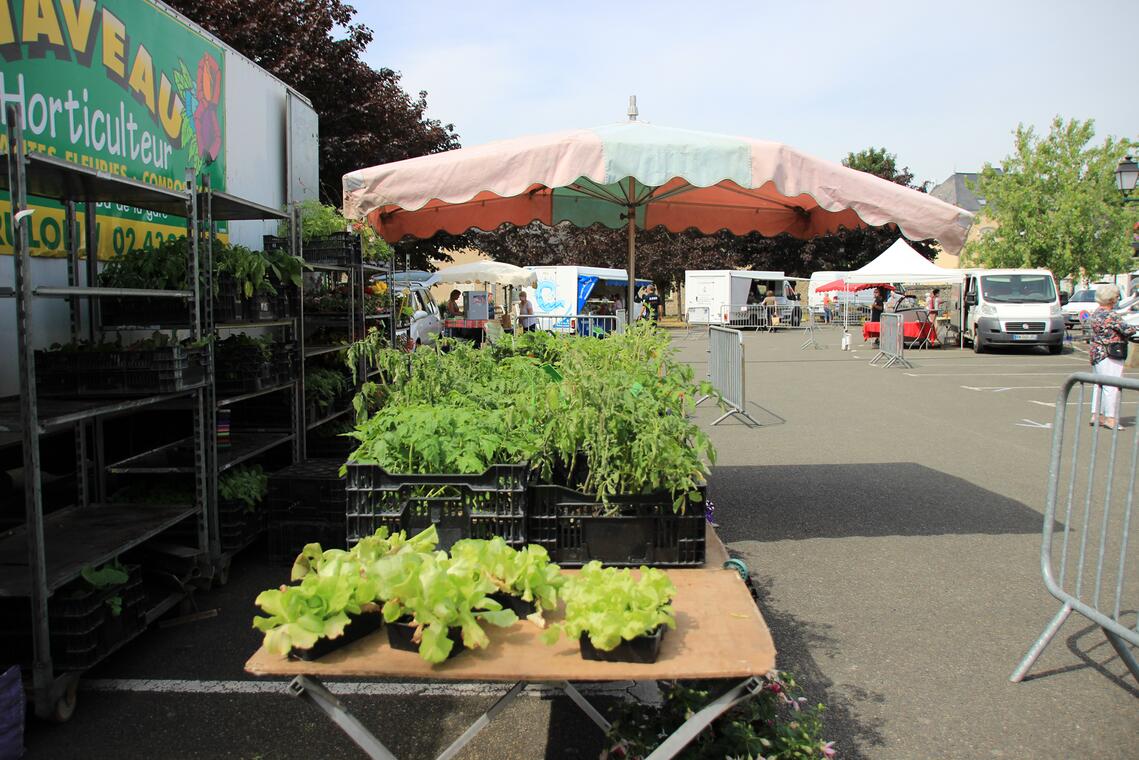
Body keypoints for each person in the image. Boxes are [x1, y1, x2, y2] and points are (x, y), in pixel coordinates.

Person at [1088, 284, 1138, 430]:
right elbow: (1127, 329)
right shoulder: (1111, 315)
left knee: (1099, 384)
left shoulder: (1096, 313)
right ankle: (1110, 418)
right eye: (1116, 297)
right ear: (1111, 299)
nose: (1117, 299)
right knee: (1112, 385)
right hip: (1111, 352)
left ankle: (1097, 415)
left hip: (1097, 352)